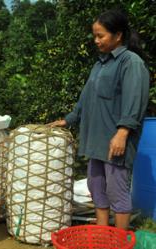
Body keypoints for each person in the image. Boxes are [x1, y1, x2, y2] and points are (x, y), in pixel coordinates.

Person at [50, 9, 149, 230]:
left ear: (118, 35)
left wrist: (122, 133)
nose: (96, 40)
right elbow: (86, 98)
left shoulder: (131, 63)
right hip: (96, 140)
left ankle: (120, 241)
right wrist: (69, 119)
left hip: (115, 141)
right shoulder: (100, 64)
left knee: (117, 191)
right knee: (96, 188)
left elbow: (135, 101)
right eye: (95, 35)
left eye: (101, 35)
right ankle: (103, 237)